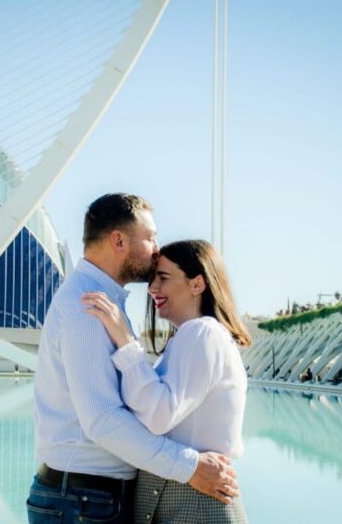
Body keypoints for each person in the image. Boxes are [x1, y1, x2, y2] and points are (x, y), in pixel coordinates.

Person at [28, 194, 238, 524]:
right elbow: (103, 420)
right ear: (119, 240)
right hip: (84, 500)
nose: (156, 249)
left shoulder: (106, 304)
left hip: (87, 498)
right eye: (150, 237)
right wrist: (190, 467)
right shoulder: (87, 308)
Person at [82, 239, 251, 523]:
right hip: (181, 492)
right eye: (152, 279)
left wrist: (125, 342)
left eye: (163, 278)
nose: (152, 289)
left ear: (197, 284)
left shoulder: (201, 333)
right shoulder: (192, 336)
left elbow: (159, 416)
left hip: (194, 497)